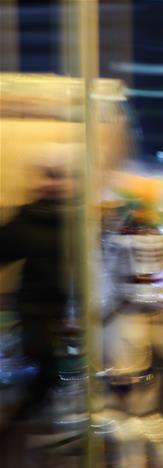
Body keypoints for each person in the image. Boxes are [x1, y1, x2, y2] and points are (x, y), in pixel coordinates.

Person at [0, 145, 77, 421]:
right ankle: (29, 423)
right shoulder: (28, 218)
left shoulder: (82, 219)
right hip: (38, 312)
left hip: (73, 311)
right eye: (49, 175)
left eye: (60, 176)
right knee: (46, 370)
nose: (54, 183)